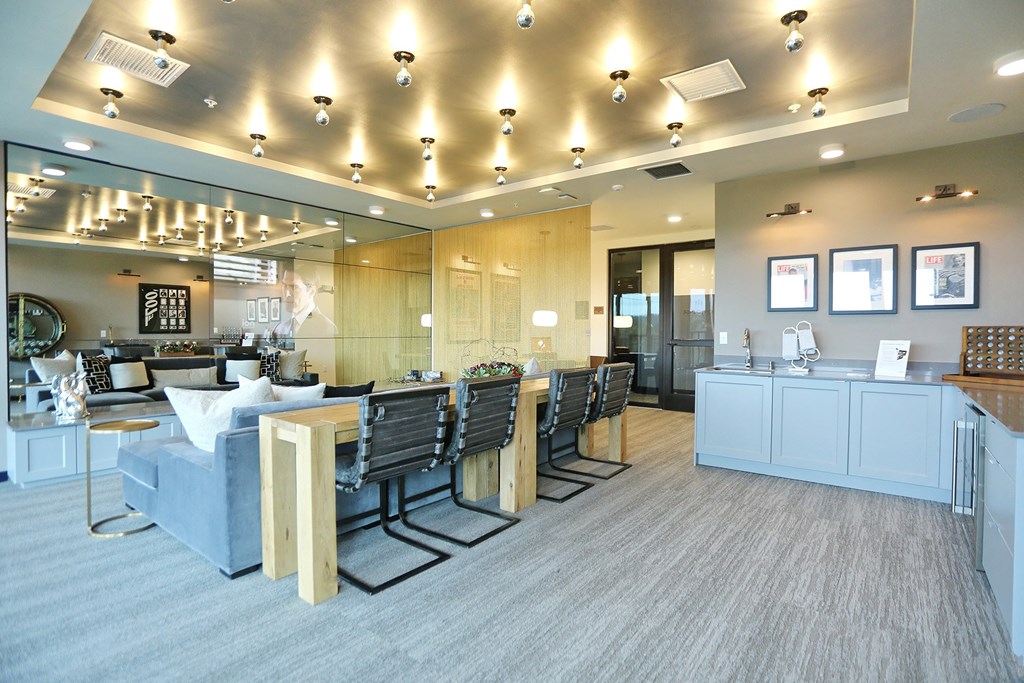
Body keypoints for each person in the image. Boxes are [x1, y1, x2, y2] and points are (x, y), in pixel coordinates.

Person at [270, 268, 338, 340]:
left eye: (294, 287)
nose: (287, 294)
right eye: (284, 286)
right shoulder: (278, 329)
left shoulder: (327, 328)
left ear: (311, 291)